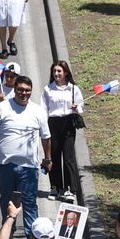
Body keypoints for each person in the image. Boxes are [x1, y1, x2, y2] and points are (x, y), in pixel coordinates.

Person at [0, 74, 52, 239]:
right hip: (5, 164)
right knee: (6, 199)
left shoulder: (38, 111)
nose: (24, 93)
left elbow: (46, 137)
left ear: (31, 91)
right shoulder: (1, 108)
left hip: (29, 166)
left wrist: (48, 159)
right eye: (20, 90)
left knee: (30, 202)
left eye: (27, 90)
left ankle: (32, 237)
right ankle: (7, 231)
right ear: (15, 90)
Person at [43, 60, 84, 202]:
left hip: (68, 124)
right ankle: (55, 187)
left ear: (66, 73)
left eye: (59, 71)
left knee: (68, 158)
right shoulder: (48, 89)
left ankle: (69, 189)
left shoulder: (73, 89)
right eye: (54, 71)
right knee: (53, 156)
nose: (56, 74)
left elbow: (81, 106)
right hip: (53, 124)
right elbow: (44, 109)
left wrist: (76, 107)